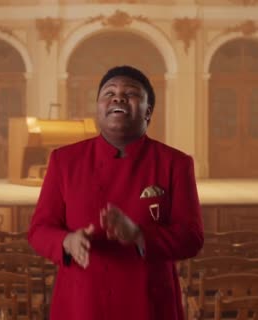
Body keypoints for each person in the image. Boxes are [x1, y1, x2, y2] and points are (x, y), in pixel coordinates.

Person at [27, 65, 204, 320]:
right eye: (108, 93)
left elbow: (192, 237)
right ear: (98, 108)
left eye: (131, 93)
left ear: (148, 112)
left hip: (148, 302)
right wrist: (66, 242)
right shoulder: (64, 161)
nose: (118, 97)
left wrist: (139, 235)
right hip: (81, 302)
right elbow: (39, 230)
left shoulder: (175, 163)